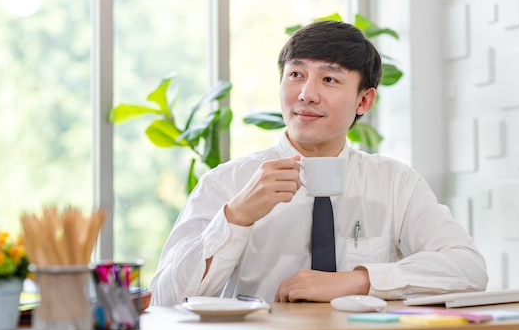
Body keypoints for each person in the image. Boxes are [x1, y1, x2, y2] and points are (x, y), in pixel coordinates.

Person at [149, 20, 488, 306]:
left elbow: (468, 268)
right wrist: (235, 217)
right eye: (296, 74)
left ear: (364, 100)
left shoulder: (395, 182)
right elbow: (165, 298)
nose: (306, 94)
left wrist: (358, 281)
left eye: (329, 79)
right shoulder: (227, 182)